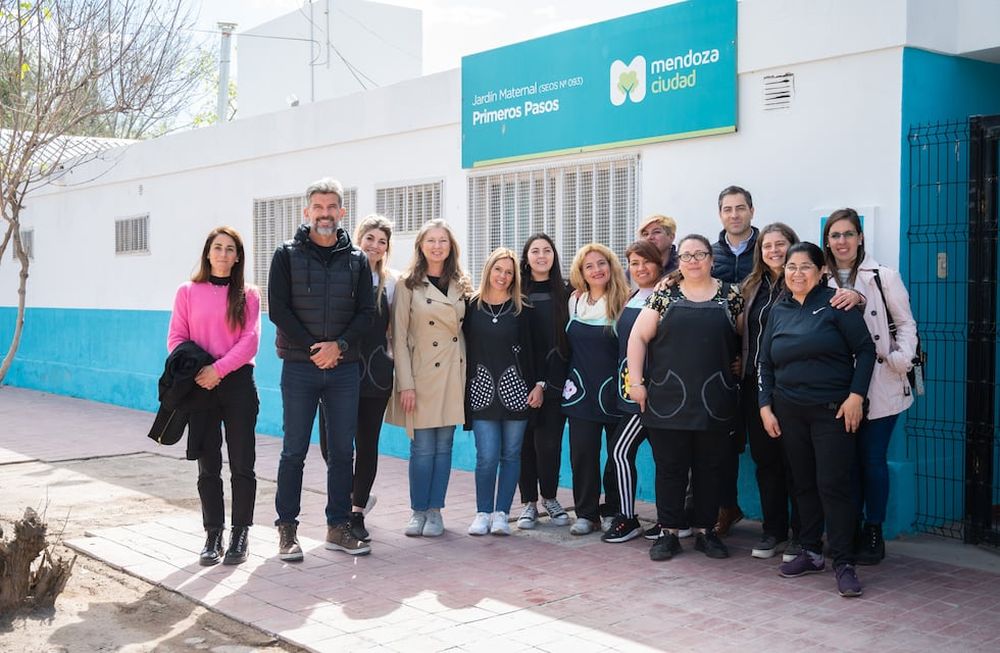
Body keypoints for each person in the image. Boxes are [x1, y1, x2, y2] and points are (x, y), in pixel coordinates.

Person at [758, 242, 876, 598]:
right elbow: (764, 363)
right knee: (803, 483)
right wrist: (765, 406)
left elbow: (866, 350)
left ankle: (843, 562)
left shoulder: (837, 304)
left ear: (821, 270)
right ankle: (809, 551)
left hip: (832, 412)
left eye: (805, 267)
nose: (797, 273)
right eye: (791, 267)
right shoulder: (778, 311)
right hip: (789, 413)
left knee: (833, 485)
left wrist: (856, 396)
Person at [269, 178, 375, 560]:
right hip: (300, 368)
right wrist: (315, 349)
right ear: (307, 212)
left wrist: (339, 346)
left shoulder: (357, 260)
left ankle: (337, 526)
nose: (325, 214)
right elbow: (278, 309)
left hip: (344, 369)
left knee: (343, 452)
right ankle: (287, 529)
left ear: (342, 212)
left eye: (332, 208)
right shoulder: (285, 255)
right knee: (293, 451)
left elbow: (367, 312)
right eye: (319, 207)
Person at [628, 235, 744, 561]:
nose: (693, 260)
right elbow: (638, 337)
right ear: (679, 260)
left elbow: (746, 338)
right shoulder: (665, 295)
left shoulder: (730, 296)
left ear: (711, 259)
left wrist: (741, 364)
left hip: (714, 399)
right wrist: (636, 383)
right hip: (668, 397)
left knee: (710, 468)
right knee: (670, 468)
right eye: (687, 255)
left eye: (700, 254)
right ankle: (669, 532)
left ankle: (706, 532)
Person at [823, 208, 917, 565]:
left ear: (860, 237)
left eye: (848, 234)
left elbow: (906, 324)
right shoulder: (819, 278)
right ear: (827, 241)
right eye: (835, 235)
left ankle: (874, 530)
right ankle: (849, 527)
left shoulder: (883, 276)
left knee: (872, 460)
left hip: (880, 383)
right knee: (843, 464)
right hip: (837, 384)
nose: (842, 241)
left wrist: (900, 358)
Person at [167, 226, 260, 566]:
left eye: (230, 249)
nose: (223, 254)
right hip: (200, 385)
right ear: (208, 253)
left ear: (238, 257)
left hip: (236, 385)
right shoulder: (187, 291)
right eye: (217, 247)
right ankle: (213, 534)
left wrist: (218, 370)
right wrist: (199, 372)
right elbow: (177, 338)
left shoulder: (248, 294)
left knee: (242, 465)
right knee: (208, 466)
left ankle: (240, 534)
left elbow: (250, 341)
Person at [387, 219, 472, 537]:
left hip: (452, 371)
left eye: (443, 241)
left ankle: (435, 511)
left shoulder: (461, 282)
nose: (437, 246)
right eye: (431, 240)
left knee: (444, 446)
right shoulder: (408, 284)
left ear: (451, 247)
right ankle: (417, 510)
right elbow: (399, 336)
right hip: (420, 374)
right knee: (422, 447)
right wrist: (405, 383)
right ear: (421, 246)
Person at [739, 223, 803, 561]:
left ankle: (802, 535)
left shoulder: (802, 283)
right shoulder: (751, 286)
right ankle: (773, 530)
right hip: (755, 384)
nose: (774, 251)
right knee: (766, 461)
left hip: (792, 384)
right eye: (768, 246)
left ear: (793, 246)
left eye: (781, 244)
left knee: (796, 461)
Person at [465, 248, 536, 536]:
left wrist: (538, 385)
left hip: (517, 391)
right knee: (487, 456)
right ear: (488, 270)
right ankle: (482, 512)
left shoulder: (523, 309)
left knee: (511, 455)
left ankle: (502, 514)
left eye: (509, 272)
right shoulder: (471, 306)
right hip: (481, 390)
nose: (503, 276)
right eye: (498, 269)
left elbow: (535, 351)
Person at [562, 243, 629, 535]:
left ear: (611, 266)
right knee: (583, 454)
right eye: (589, 266)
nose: (596, 270)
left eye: (601, 263)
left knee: (617, 455)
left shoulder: (625, 301)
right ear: (581, 273)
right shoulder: (575, 301)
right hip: (579, 391)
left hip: (614, 392)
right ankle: (586, 514)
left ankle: (613, 510)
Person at [602, 240, 664, 543]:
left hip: (657, 393)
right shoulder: (631, 296)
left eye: (646, 262)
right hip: (629, 392)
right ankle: (633, 517)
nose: (640, 268)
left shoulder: (667, 296)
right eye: (634, 263)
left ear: (659, 263)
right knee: (630, 452)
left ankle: (651, 519)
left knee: (624, 450)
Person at [710, 185, 759, 536]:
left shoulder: (769, 248)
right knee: (719, 440)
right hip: (719, 363)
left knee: (765, 443)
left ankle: (780, 523)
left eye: (740, 208)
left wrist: (747, 356)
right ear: (720, 215)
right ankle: (723, 507)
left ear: (752, 211)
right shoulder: (709, 254)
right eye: (727, 209)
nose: (734, 214)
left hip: (758, 361)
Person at [346, 214, 398, 542]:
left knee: (367, 445)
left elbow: (397, 328)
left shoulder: (392, 283)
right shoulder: (341, 274)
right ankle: (356, 494)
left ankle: (356, 511)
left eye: (382, 241)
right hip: (341, 371)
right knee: (331, 445)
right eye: (370, 238)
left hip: (377, 373)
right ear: (358, 238)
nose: (374, 246)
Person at [515, 234, 572, 530]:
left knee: (549, 444)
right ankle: (529, 504)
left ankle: (550, 497)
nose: (541, 256)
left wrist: (546, 383)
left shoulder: (567, 291)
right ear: (526, 257)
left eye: (547, 250)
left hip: (556, 381)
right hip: (522, 381)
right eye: (534, 251)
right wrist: (530, 383)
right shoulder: (516, 292)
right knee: (525, 445)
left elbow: (565, 343)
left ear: (554, 255)